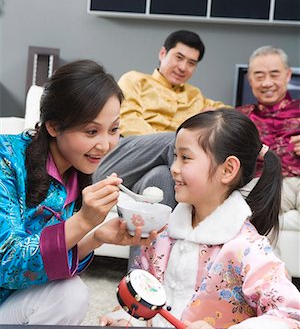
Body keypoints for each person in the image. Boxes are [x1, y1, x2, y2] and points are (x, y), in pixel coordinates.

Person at [100, 109, 300, 329]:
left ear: (227, 169)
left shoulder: (247, 249)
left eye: (185, 158)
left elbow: (293, 320)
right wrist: (126, 319)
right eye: (175, 156)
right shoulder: (163, 233)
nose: (173, 168)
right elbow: (146, 296)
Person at [0, 60, 160, 326]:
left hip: (11, 302)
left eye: (114, 130)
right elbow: (7, 264)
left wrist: (95, 237)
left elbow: (49, 270)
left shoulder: (76, 176)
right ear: (53, 126)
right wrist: (83, 221)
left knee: (70, 293)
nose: (105, 144)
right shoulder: (6, 160)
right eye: (91, 131)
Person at [94, 30, 228, 208]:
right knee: (179, 140)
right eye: (178, 57)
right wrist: (172, 140)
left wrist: (216, 114)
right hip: (124, 159)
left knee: (162, 177)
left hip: (148, 176)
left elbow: (229, 113)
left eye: (191, 63)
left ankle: (165, 235)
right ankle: (213, 201)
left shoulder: (195, 96)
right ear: (163, 53)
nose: (183, 67)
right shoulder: (135, 80)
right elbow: (128, 119)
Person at [237, 46, 300, 226]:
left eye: (274, 75)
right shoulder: (241, 118)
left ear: (287, 75)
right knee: (244, 211)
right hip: (266, 183)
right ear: (250, 80)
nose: (266, 83)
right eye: (259, 76)